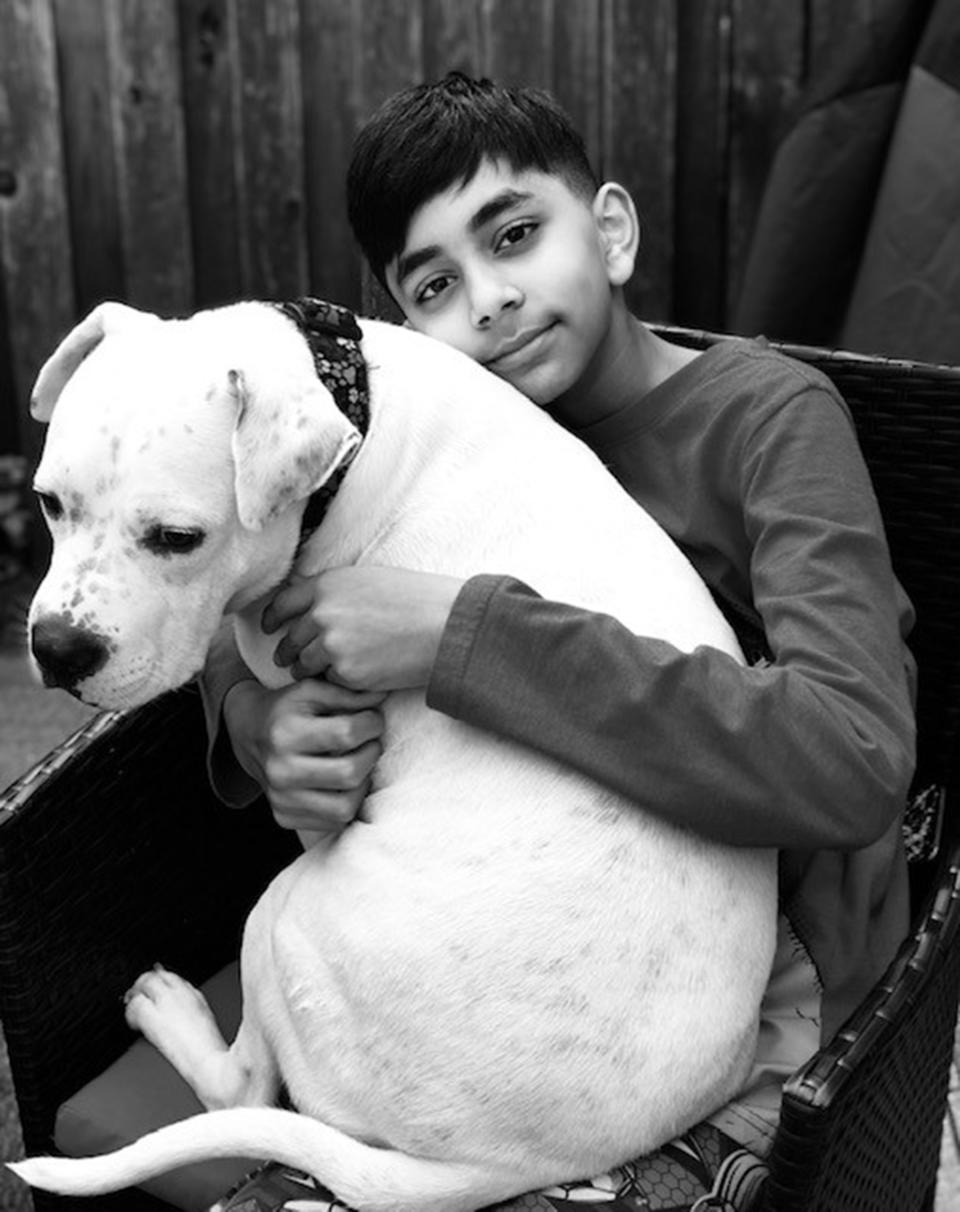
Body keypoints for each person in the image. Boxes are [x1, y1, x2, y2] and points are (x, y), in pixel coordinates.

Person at [202, 72, 916, 1211]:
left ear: (613, 231)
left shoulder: (769, 422)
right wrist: (253, 718)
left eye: (517, 234)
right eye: (434, 285)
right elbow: (243, 573)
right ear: (403, 334)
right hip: (510, 957)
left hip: (766, 987)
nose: (487, 301)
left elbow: (854, 756)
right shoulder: (423, 458)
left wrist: (458, 635)